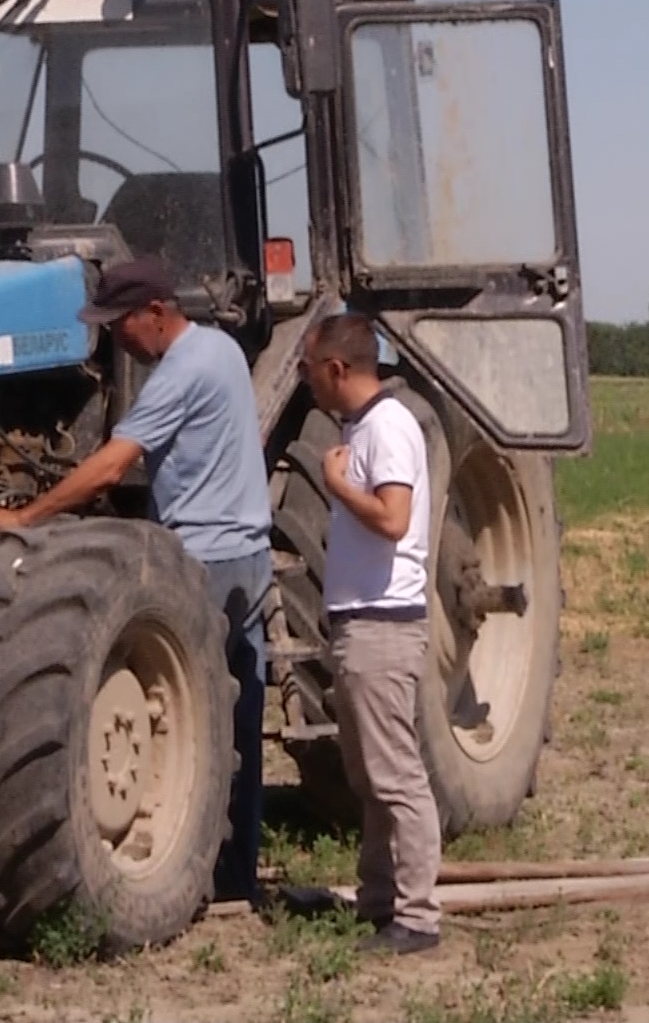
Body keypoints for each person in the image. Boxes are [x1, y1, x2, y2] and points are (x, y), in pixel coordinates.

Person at [0, 256, 274, 905]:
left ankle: (174, 863)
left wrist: (22, 516)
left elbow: (110, 469)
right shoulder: (223, 350)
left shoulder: (180, 372)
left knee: (185, 714)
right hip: (247, 551)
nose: (118, 341)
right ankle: (232, 876)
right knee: (234, 717)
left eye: (121, 325)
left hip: (207, 558)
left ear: (157, 313)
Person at [298, 311, 441, 955]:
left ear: (337, 368)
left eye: (308, 370)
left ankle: (416, 917)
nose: (307, 384)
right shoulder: (365, 427)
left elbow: (392, 517)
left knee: (397, 778)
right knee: (369, 775)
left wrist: (334, 485)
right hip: (363, 622)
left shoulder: (389, 427)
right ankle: (379, 898)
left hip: (384, 625)